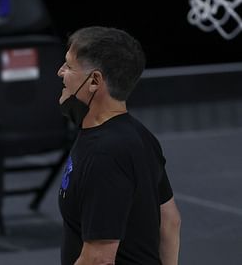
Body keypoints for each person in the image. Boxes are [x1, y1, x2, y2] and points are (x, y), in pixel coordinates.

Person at [57, 26, 181, 265]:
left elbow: (99, 258)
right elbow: (170, 221)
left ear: (94, 81)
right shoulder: (139, 135)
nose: (60, 72)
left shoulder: (105, 153)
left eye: (69, 66)